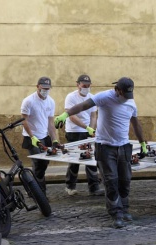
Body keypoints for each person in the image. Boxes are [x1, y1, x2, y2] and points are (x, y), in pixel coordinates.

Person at [54, 77, 148, 229]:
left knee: (125, 180)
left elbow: (135, 123)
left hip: (124, 146)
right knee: (111, 181)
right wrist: (65, 115)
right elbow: (84, 105)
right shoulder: (104, 97)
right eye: (124, 94)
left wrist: (143, 143)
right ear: (117, 90)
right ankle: (116, 214)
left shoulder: (131, 102)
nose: (126, 98)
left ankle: (124, 209)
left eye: (129, 95)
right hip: (105, 147)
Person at [63, 74, 104, 197]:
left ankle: (94, 188)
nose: (86, 87)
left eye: (88, 85)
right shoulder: (71, 97)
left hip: (87, 131)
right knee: (75, 160)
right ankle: (70, 186)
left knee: (91, 159)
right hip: (73, 132)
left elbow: (93, 115)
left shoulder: (92, 97)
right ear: (78, 85)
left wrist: (91, 129)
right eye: (84, 85)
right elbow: (71, 115)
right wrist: (85, 127)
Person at [21, 76, 60, 194]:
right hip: (32, 137)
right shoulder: (29, 101)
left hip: (44, 136)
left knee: (45, 162)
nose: (45, 90)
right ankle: (39, 193)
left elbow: (50, 122)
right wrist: (32, 137)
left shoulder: (51, 101)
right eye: (43, 88)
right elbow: (24, 120)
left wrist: (54, 139)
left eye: (48, 88)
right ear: (37, 87)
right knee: (37, 164)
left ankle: (35, 189)